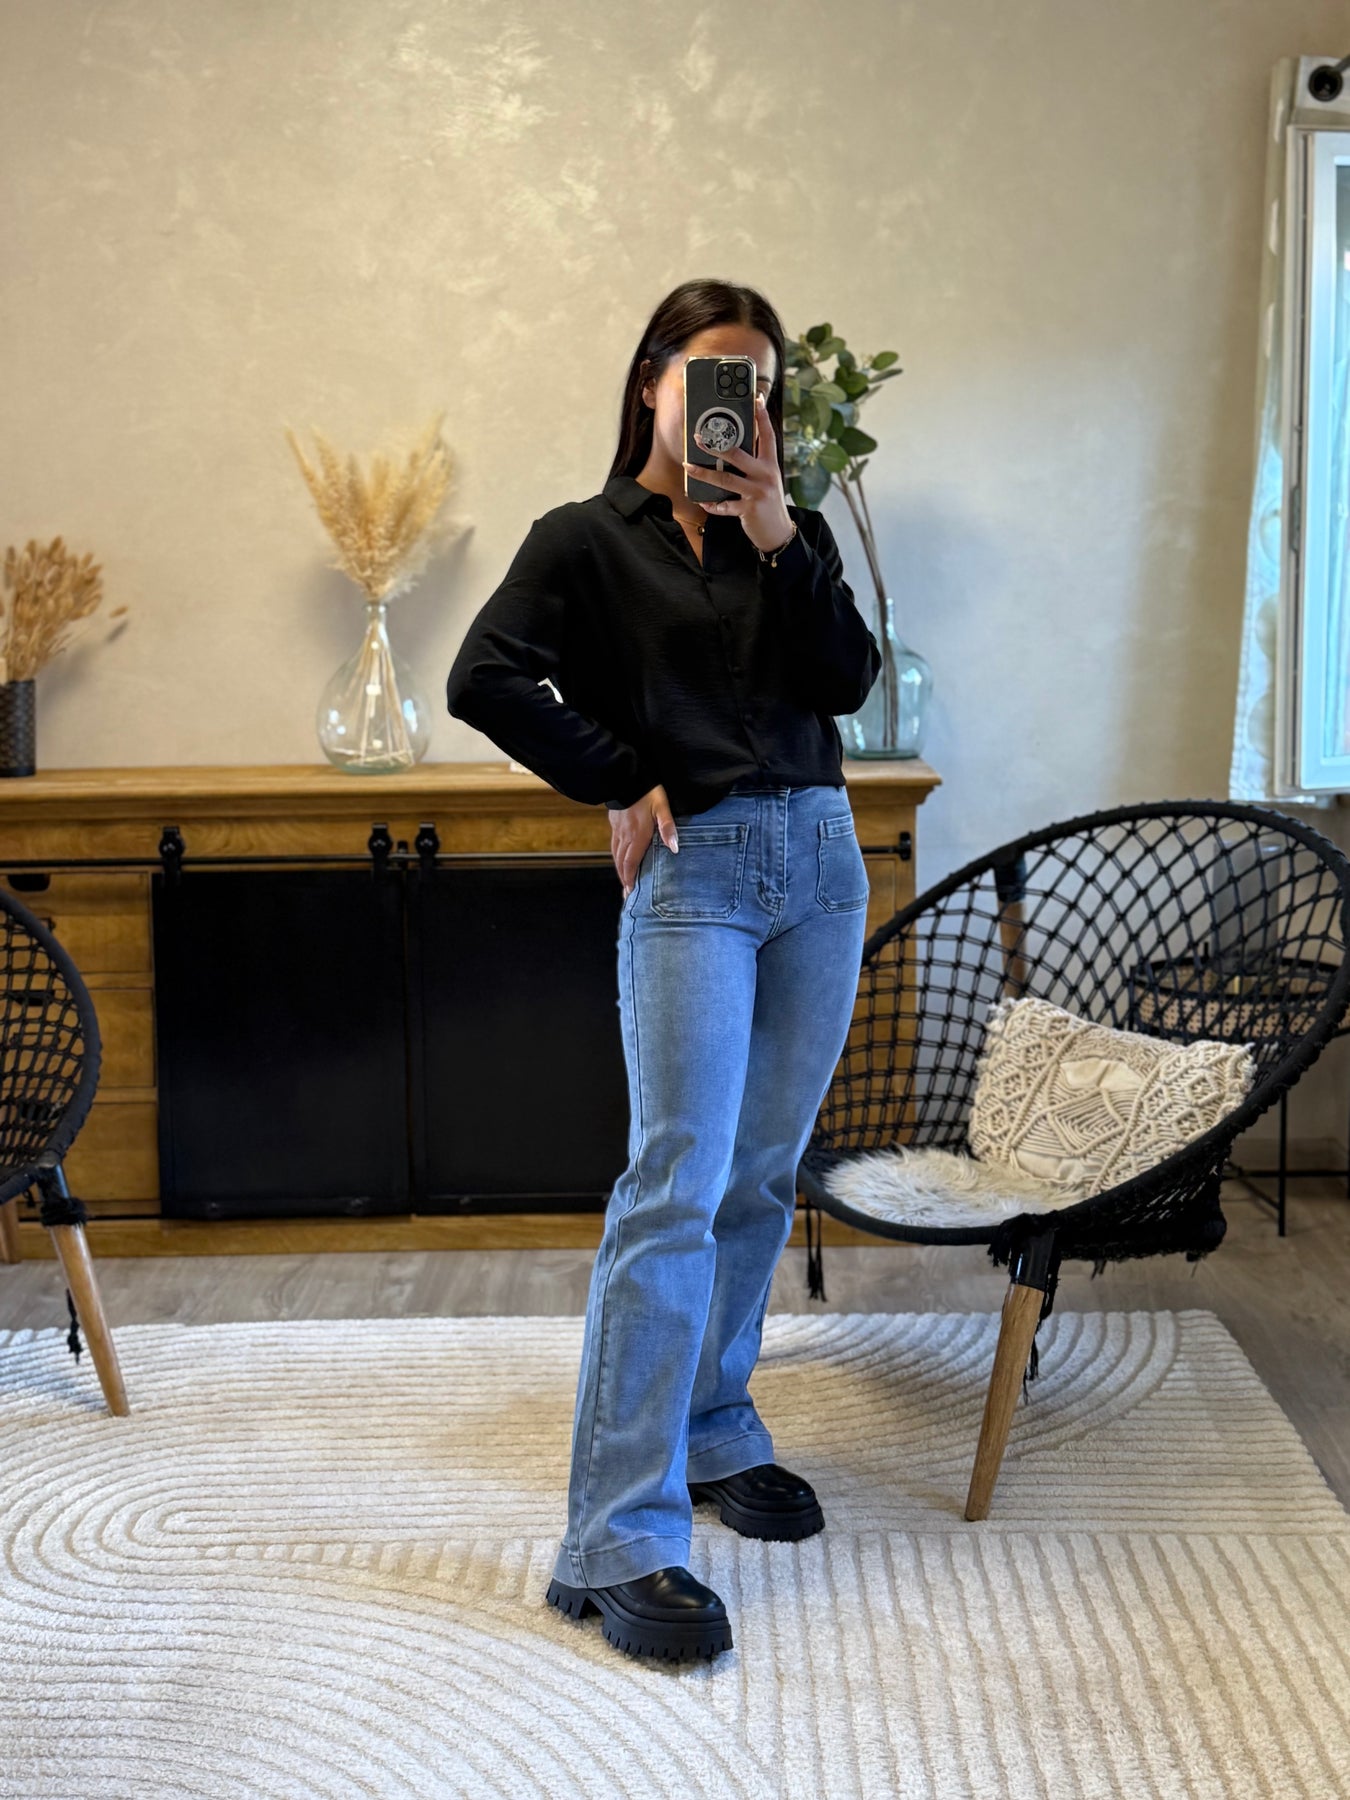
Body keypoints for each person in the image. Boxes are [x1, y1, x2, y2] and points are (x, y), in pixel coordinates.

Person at [445, 277, 881, 1664]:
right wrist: (619, 773)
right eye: (712, 375)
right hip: (698, 877)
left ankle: (713, 1426)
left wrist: (780, 535)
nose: (737, 405)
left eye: (759, 385)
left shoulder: (784, 529)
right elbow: (484, 677)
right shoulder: (581, 540)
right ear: (653, 381)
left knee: (760, 1176)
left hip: (823, 864)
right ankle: (616, 1538)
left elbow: (846, 682)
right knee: (675, 1184)